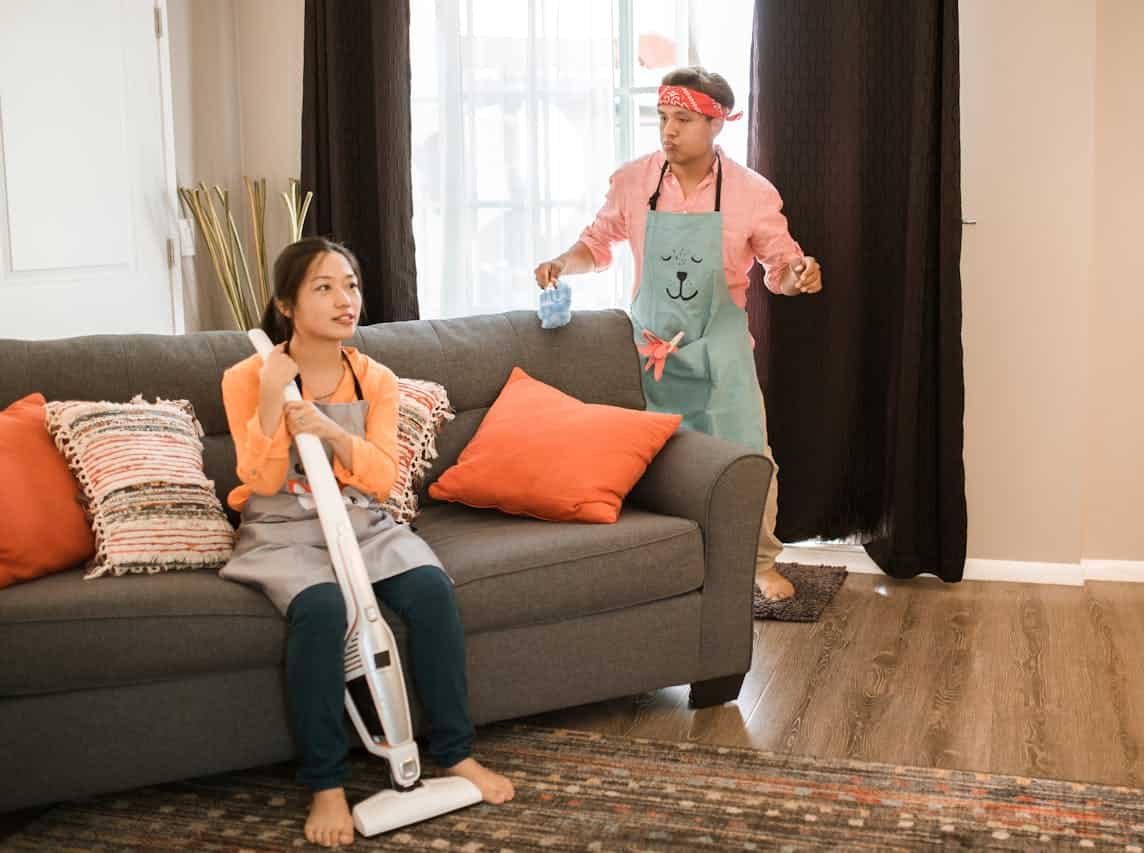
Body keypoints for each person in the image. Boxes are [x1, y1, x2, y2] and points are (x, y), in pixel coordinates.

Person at [220, 237, 515, 848]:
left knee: (432, 591)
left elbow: (382, 478)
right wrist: (275, 396)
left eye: (350, 284)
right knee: (323, 610)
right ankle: (326, 782)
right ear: (286, 304)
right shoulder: (245, 376)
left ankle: (456, 753)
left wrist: (327, 429)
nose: (344, 299)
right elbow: (262, 479)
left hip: (359, 520)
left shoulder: (375, 378)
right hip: (283, 530)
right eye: (323, 287)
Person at [534, 66, 822, 602]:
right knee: (654, 460)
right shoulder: (632, 182)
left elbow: (780, 268)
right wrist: (561, 262)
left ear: (716, 124)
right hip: (651, 347)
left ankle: (758, 563)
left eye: (683, 120)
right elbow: (597, 245)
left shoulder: (752, 193)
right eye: (663, 117)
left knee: (747, 456)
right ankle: (663, 563)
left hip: (723, 348)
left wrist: (798, 275)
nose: (668, 130)